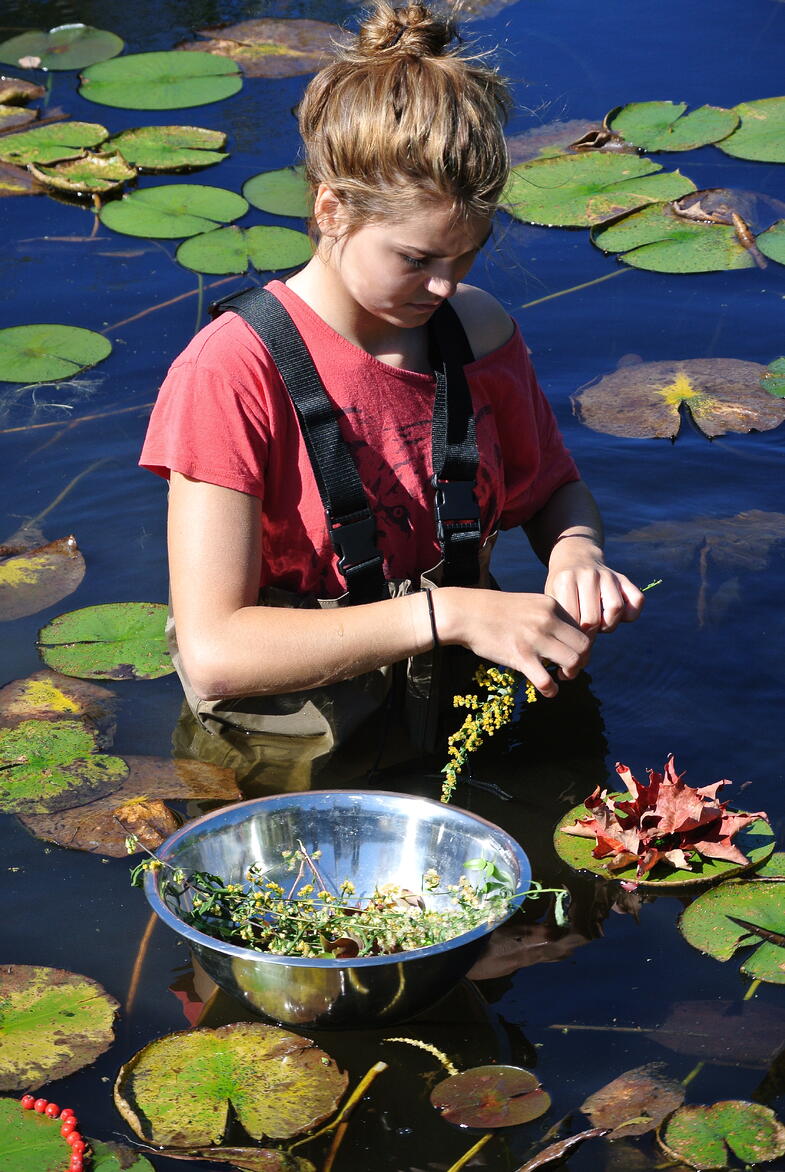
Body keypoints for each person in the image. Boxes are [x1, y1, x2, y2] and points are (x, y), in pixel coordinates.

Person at [140, 2, 644, 763]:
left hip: (462, 697)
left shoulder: (476, 332)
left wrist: (575, 553)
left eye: (467, 254)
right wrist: (449, 616)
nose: (444, 287)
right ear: (330, 209)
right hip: (292, 741)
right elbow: (216, 652)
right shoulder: (232, 370)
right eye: (415, 259)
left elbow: (554, 495)